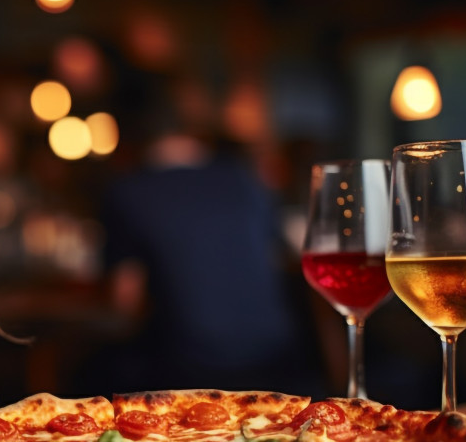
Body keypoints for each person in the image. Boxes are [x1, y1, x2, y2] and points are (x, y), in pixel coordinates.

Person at [76, 72, 322, 397]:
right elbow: (276, 256)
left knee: (88, 374)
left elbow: (124, 299)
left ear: (126, 130)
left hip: (188, 369)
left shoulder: (127, 191)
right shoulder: (244, 178)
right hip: (280, 361)